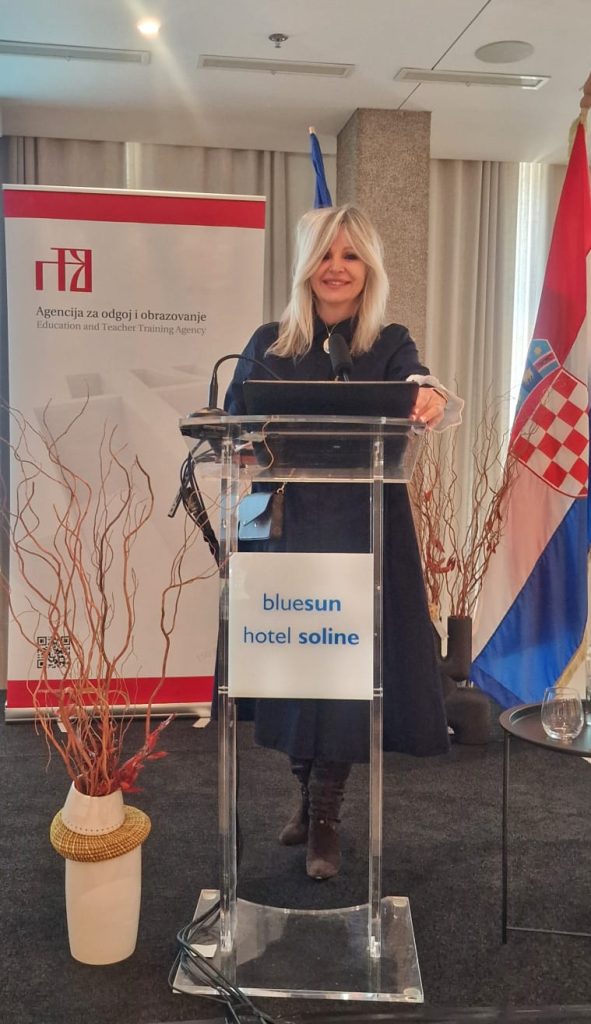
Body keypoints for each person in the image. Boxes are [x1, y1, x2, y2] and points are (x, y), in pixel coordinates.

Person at [224, 204, 463, 881]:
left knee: (344, 669)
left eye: (351, 255)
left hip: (363, 523)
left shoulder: (389, 342)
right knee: (292, 663)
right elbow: (235, 425)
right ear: (306, 265)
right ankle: (304, 794)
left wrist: (427, 395)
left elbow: (418, 382)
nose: (337, 268)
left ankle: (325, 811)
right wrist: (238, 450)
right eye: (326, 254)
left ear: (369, 268)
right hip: (282, 520)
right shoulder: (269, 342)